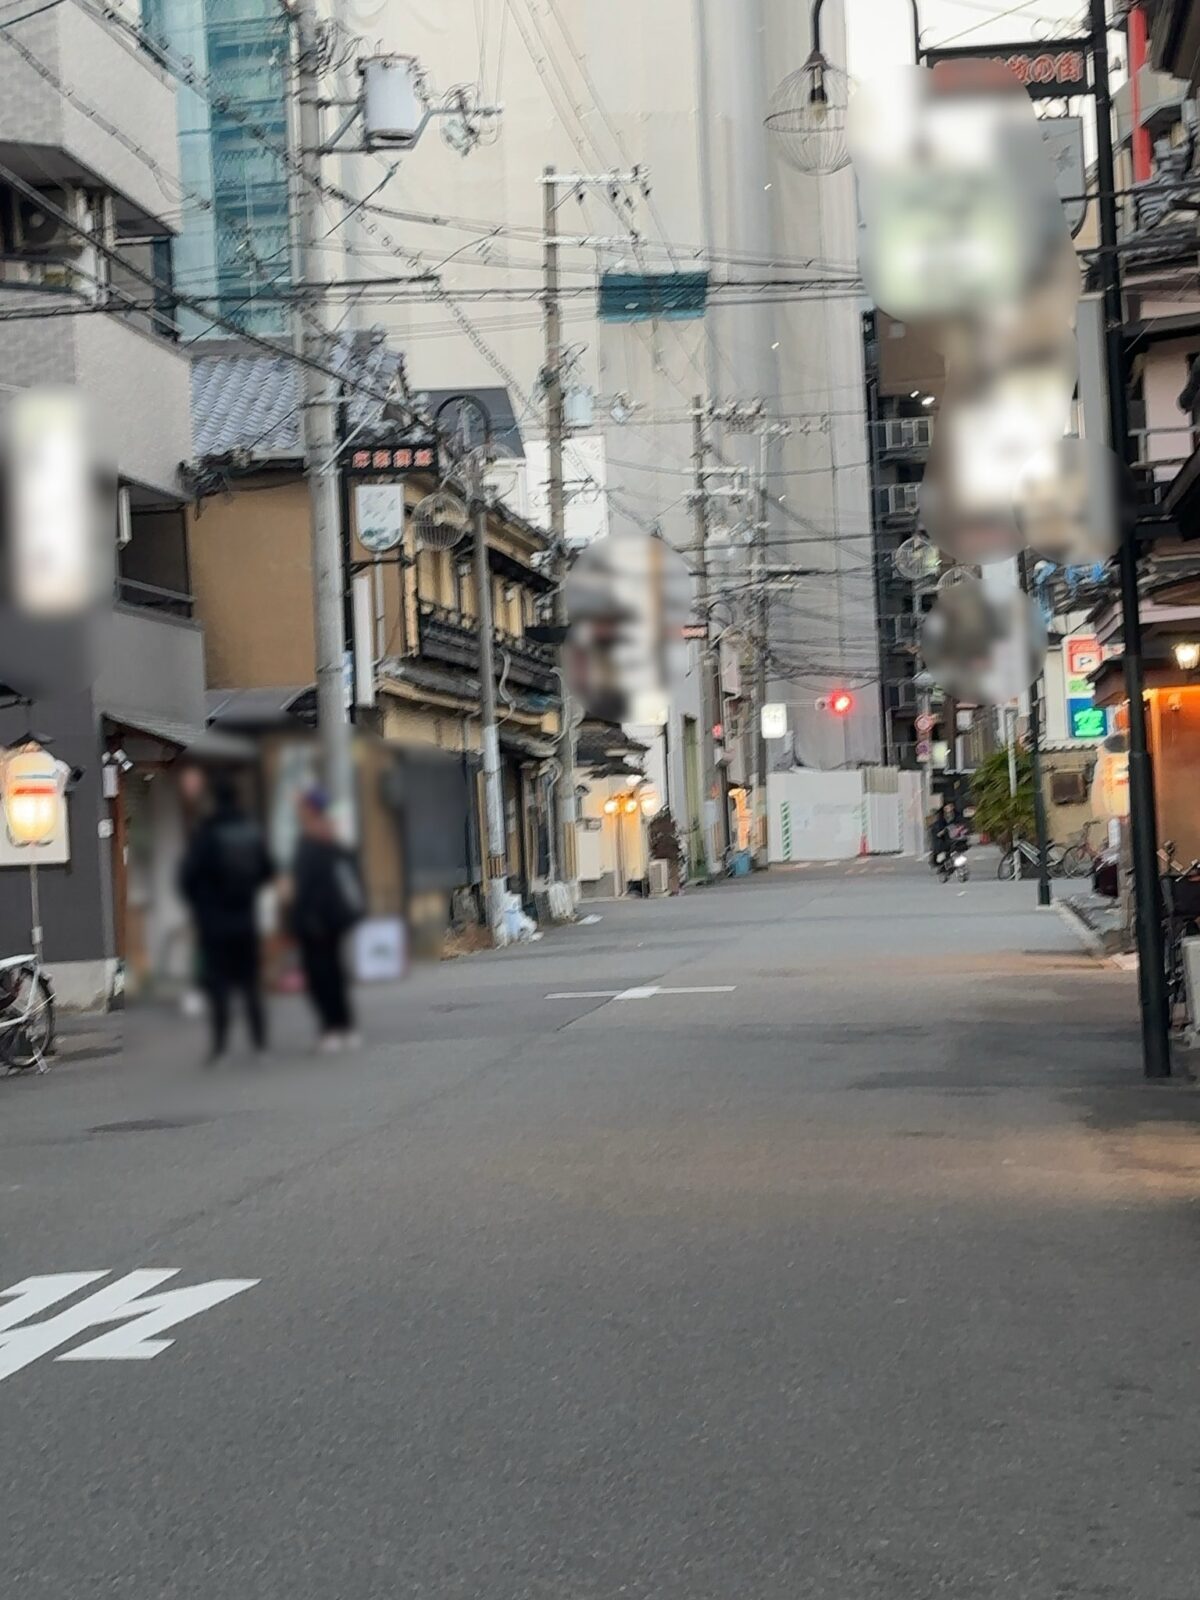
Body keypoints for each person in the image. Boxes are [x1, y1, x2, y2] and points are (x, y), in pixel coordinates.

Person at [179, 775, 274, 1063]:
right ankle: (260, 1047)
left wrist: (200, 906)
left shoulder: (207, 834)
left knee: (218, 984)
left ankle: (220, 1048)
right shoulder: (250, 832)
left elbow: (186, 878)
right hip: (245, 918)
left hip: (215, 922)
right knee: (250, 983)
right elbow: (268, 870)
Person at [290, 788, 364, 1052]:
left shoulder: (314, 839)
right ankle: (343, 1026)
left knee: (322, 975)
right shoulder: (329, 837)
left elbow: (306, 885)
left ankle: (334, 1027)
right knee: (331, 972)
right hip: (332, 919)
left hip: (318, 920)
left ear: (310, 809)